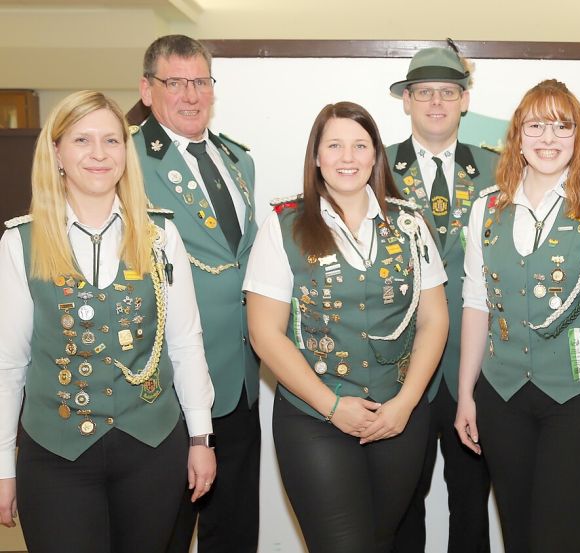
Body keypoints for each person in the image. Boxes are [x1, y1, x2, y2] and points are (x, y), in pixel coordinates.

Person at [0, 90, 216, 552]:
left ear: (126, 152)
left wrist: (201, 437)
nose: (99, 154)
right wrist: (2, 465)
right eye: (82, 140)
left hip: (152, 447)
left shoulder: (161, 235)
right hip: (56, 452)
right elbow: (8, 365)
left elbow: (185, 343)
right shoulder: (21, 242)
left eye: (112, 141)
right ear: (56, 152)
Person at [244, 101, 449, 553]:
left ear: (376, 155)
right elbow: (265, 333)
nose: (348, 157)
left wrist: (405, 405)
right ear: (316, 156)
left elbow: (435, 320)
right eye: (334, 145)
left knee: (381, 541)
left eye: (360, 145)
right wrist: (333, 407)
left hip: (398, 415)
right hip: (315, 417)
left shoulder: (410, 223)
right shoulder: (285, 225)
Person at [454, 78, 580, 553]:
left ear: (579, 137)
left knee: (563, 541)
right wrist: (465, 395)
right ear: (518, 136)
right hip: (501, 398)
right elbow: (476, 303)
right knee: (519, 538)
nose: (547, 138)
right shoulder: (486, 208)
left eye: (562, 127)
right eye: (536, 125)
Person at [133, 34, 261, 553]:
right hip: (168, 379)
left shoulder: (237, 159)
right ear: (147, 90)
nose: (191, 95)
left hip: (241, 376)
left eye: (201, 82)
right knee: (165, 529)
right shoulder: (125, 159)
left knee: (233, 530)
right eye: (176, 83)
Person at [388, 43, 498, 553]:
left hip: (473, 369)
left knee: (471, 502)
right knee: (400, 502)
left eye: (448, 92)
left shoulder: (500, 170)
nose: (436, 103)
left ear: (465, 100)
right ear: (406, 100)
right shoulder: (374, 166)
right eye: (424, 92)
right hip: (398, 365)